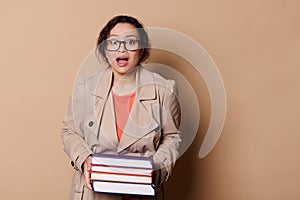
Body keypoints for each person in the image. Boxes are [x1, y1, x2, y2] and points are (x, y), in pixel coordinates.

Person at [61, 15, 181, 200]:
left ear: (141, 49)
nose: (122, 49)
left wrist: (158, 167)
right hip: (94, 191)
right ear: (104, 49)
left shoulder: (164, 90)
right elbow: (69, 131)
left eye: (131, 42)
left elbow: (172, 137)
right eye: (114, 42)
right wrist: (84, 159)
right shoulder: (85, 88)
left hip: (142, 190)